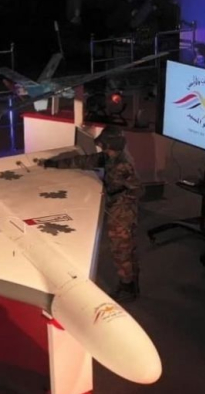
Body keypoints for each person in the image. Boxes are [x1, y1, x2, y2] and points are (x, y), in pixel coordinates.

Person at [42, 126, 142, 303]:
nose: (102, 147)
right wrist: (55, 163)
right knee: (126, 248)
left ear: (110, 145)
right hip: (117, 206)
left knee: (121, 249)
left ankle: (127, 286)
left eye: (104, 145)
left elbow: (138, 189)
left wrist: (119, 200)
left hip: (122, 211)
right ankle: (132, 282)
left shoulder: (123, 165)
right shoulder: (110, 157)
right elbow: (85, 161)